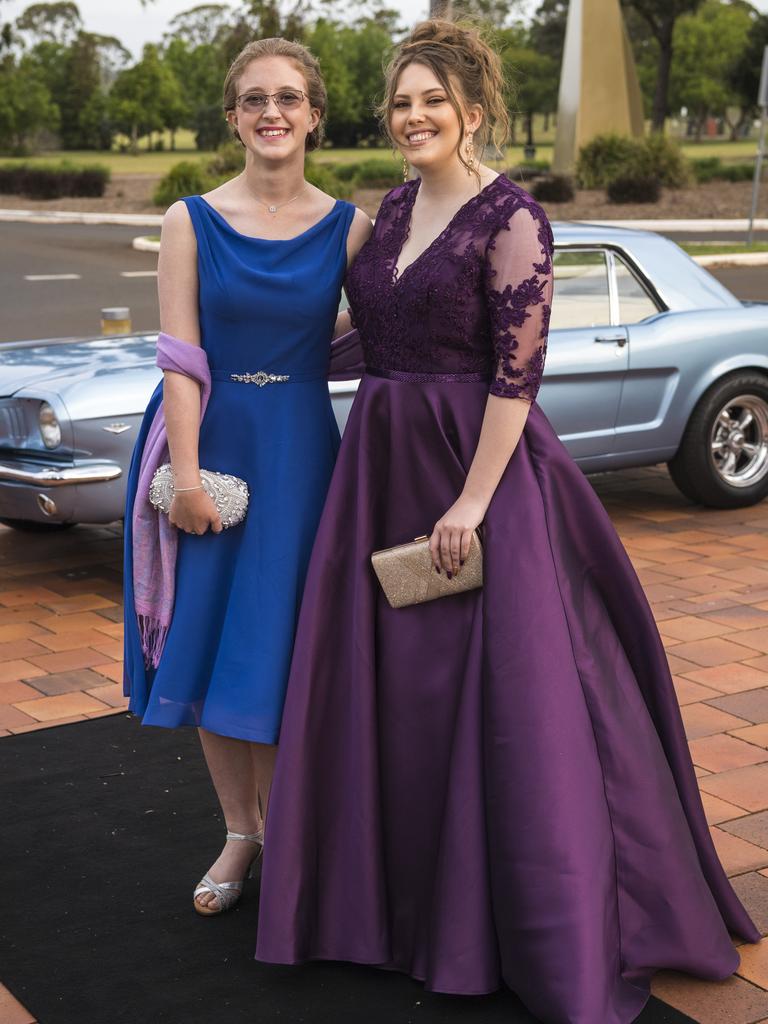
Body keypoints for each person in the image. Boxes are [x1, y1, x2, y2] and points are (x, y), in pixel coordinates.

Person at [255, 19, 760, 1024]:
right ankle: (389, 910)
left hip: (475, 475)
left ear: (473, 110)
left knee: (497, 702)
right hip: (381, 473)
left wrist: (471, 506)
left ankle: (506, 921)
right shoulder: (394, 210)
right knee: (394, 695)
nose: (413, 116)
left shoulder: (514, 218)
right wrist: (261, 369)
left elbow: (514, 376)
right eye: (400, 102)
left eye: (431, 101)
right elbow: (379, 335)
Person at [122, 37, 371, 916]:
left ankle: (297, 841)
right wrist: (186, 479)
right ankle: (240, 834)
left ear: (313, 115)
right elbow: (181, 357)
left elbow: (392, 335)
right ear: (233, 116)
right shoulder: (191, 218)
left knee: (280, 650)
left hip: (304, 454)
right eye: (255, 99)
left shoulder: (352, 226)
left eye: (290, 99)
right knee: (216, 642)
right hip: (214, 448)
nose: (273, 113)